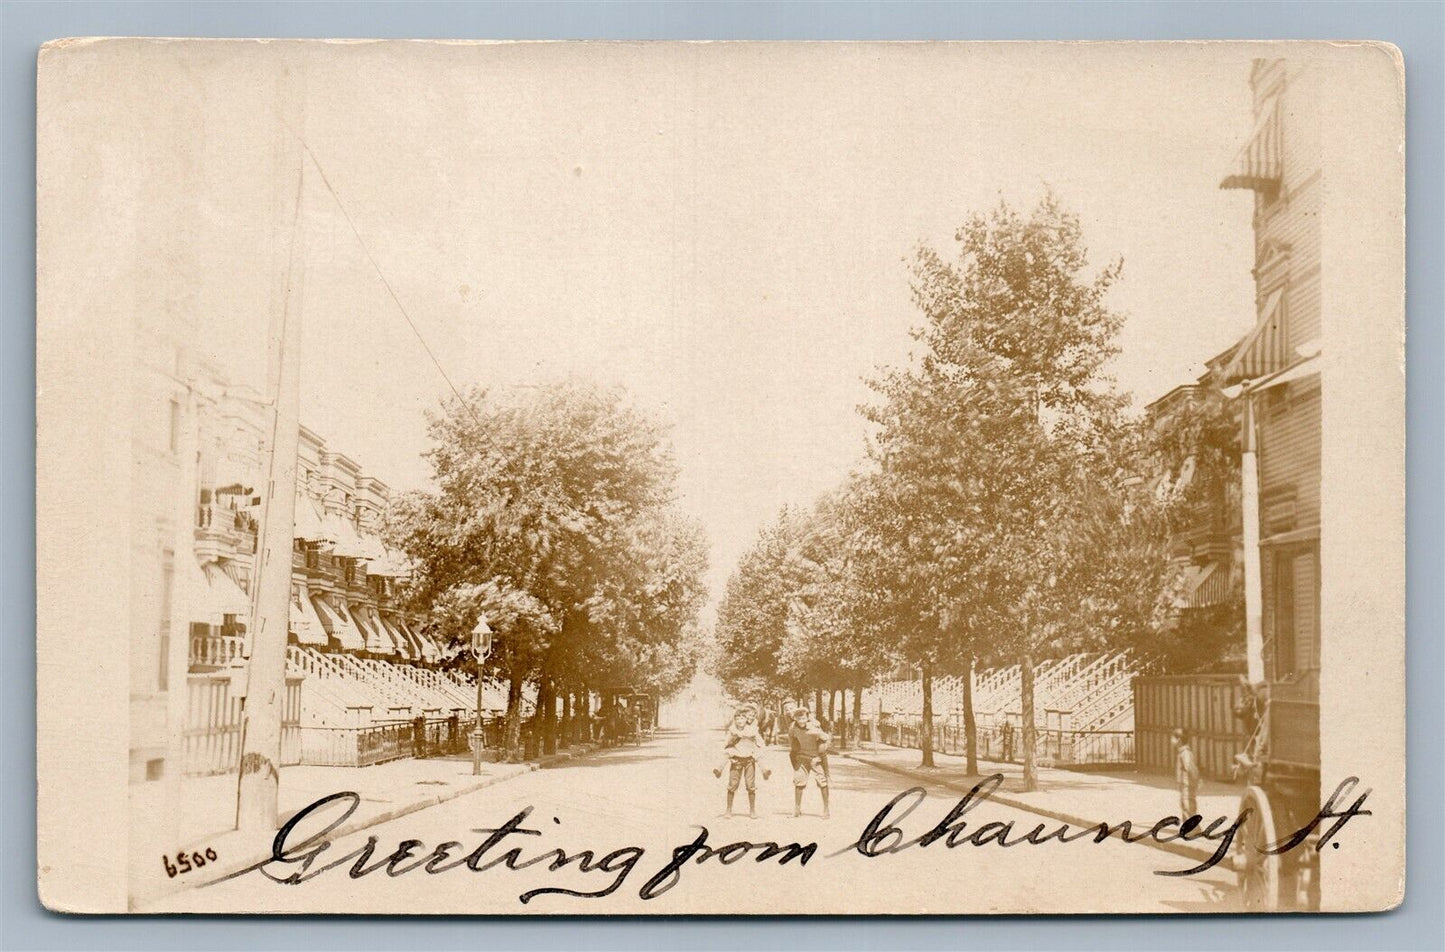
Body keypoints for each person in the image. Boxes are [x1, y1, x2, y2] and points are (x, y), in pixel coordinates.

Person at [712, 704, 770, 818]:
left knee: (750, 785)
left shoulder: (753, 729)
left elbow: (760, 742)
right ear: (735, 719)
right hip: (736, 759)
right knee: (733, 784)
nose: (741, 721)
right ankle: (728, 810)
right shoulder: (732, 730)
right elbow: (726, 744)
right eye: (738, 719)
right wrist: (732, 741)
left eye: (744, 718)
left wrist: (758, 748)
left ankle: (752, 810)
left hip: (749, 759)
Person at [788, 706, 831, 819]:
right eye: (799, 718)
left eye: (803, 718)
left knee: (822, 781)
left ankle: (826, 809)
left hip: (815, 758)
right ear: (795, 719)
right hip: (802, 757)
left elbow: (826, 738)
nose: (801, 721)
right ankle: (797, 809)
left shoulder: (813, 727)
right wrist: (795, 750)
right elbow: (791, 739)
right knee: (798, 781)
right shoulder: (793, 727)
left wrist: (821, 744)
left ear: (807, 718)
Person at [1172, 728, 1200, 818]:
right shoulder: (1182, 752)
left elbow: (1191, 768)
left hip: (1188, 785)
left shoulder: (1185, 753)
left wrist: (1196, 781)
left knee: (1188, 806)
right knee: (1185, 805)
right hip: (1184, 785)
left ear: (1179, 740)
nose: (1171, 740)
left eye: (1173, 738)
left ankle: (1193, 829)